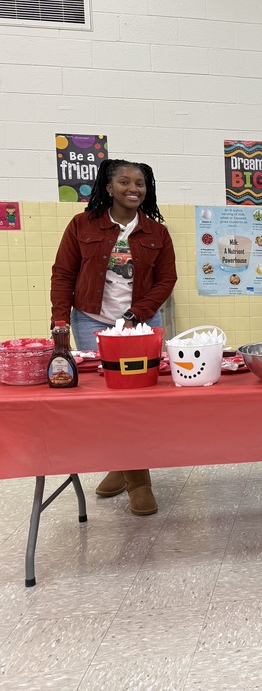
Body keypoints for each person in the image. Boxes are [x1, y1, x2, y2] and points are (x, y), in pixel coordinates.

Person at [50, 158, 177, 516]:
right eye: (124, 182)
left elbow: (167, 280)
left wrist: (136, 314)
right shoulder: (81, 225)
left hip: (139, 323)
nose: (133, 189)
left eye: (140, 183)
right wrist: (60, 319)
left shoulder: (156, 232)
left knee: (137, 398)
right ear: (108, 187)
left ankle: (131, 473)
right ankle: (132, 472)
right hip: (92, 321)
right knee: (109, 397)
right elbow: (63, 273)